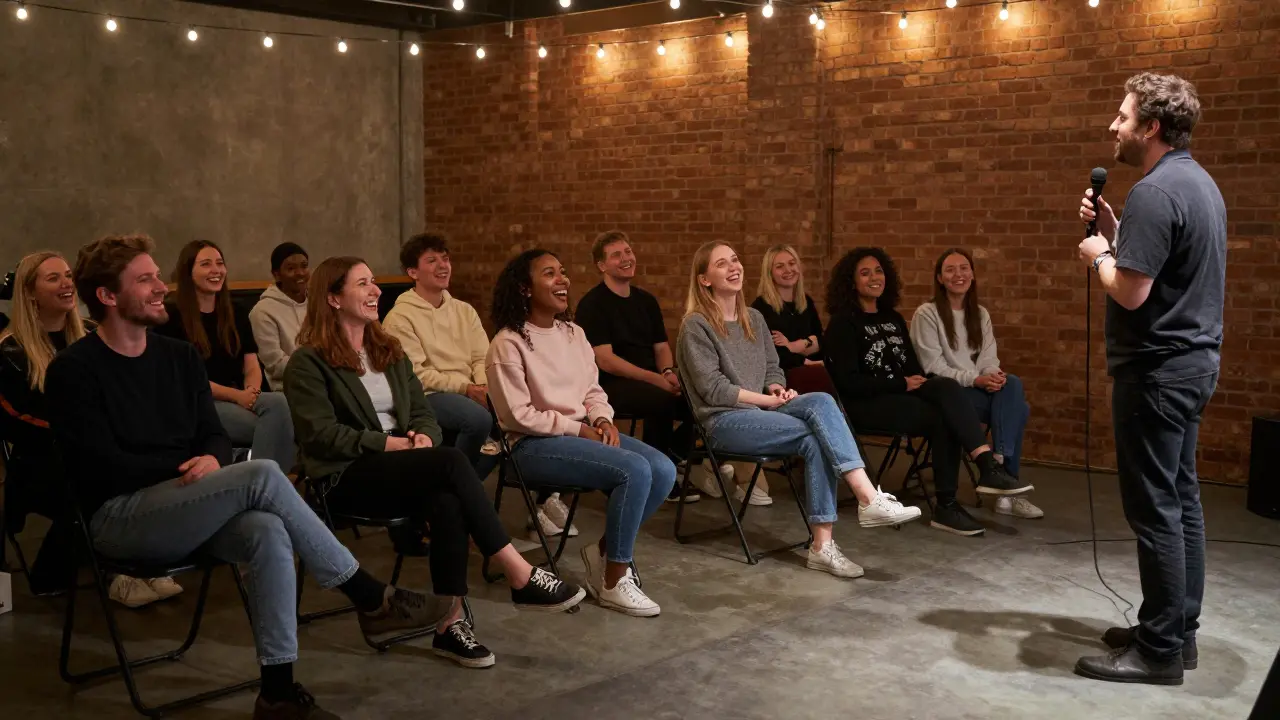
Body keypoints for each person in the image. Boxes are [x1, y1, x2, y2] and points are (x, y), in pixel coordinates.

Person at [46, 234, 453, 720]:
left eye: (157, 275)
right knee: (260, 473)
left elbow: (211, 435)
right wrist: (188, 469)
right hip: (120, 515)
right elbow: (96, 464)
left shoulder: (177, 357)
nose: (161, 287)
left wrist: (212, 461)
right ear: (108, 296)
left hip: (185, 499)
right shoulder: (74, 370)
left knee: (266, 528)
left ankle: (277, 692)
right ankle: (366, 594)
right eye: (145, 279)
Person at [284, 256, 585, 668]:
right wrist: (389, 446)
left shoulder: (387, 350)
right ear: (334, 298)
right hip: (345, 476)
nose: (376, 291)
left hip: (403, 464)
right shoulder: (308, 362)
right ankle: (519, 573)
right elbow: (320, 435)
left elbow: (422, 410)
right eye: (363, 284)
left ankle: (451, 625)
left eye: (375, 281)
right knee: (448, 466)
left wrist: (424, 434)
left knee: (448, 498)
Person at [1073, 72, 1225, 686]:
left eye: (1123, 115)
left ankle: (1158, 651)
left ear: (1151, 126)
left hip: (1157, 372)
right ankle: (1177, 630)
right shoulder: (1197, 183)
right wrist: (1118, 234)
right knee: (1182, 501)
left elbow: (1132, 292)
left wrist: (1099, 256)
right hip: (1191, 367)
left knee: (1156, 508)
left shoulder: (1157, 192)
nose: (1114, 125)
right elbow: (1158, 270)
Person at [677, 242, 921, 579]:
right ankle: (853, 514)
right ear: (704, 279)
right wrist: (769, 401)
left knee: (821, 400)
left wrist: (777, 388)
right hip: (723, 420)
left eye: (735, 259)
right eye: (721, 264)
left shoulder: (755, 318)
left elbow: (773, 369)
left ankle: (843, 524)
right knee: (815, 434)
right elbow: (714, 390)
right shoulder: (696, 325)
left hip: (763, 412)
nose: (733, 267)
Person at [487, 248, 675, 617]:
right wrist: (577, 428)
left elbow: (592, 390)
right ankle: (612, 581)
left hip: (579, 433)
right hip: (530, 446)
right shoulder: (507, 343)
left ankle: (604, 551)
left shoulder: (574, 333)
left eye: (563, 272)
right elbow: (518, 416)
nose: (563, 280)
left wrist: (602, 419)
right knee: (633, 470)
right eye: (550, 274)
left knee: (664, 470)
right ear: (525, 288)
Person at [0, 252, 177, 606]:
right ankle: (116, 572)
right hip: (42, 462)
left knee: (149, 465)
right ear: (29, 293)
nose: (66, 283)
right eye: (53, 278)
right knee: (102, 476)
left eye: (68, 275)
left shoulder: (95, 336)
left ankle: (141, 562)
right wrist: (88, 435)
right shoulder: (11, 352)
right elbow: (16, 421)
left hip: (101, 450)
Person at [823, 247, 1033, 538]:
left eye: (879, 271)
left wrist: (916, 383)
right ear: (851, 281)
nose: (874, 277)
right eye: (865, 272)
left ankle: (981, 472)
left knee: (946, 389)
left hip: (902, 395)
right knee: (941, 415)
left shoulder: (892, 317)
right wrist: (901, 384)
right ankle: (951, 500)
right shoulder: (843, 323)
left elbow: (912, 367)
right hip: (866, 404)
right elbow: (847, 383)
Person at [575, 230, 722, 505]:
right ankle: (659, 476)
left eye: (628, 252)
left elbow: (661, 347)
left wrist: (667, 372)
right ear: (601, 265)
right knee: (663, 400)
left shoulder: (646, 300)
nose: (625, 258)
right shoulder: (592, 305)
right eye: (616, 255)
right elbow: (606, 360)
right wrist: (656, 379)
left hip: (653, 378)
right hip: (610, 384)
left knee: (705, 400)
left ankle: (669, 460)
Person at [910, 248, 1043, 520]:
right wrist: (976, 379)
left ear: (972, 274)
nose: (958, 274)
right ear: (939, 278)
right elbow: (933, 367)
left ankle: (999, 467)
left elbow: (988, 357)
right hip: (948, 394)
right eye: (950, 269)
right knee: (1020, 409)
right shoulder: (927, 313)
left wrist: (992, 376)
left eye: (964, 268)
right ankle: (1007, 483)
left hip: (978, 389)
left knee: (1012, 384)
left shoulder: (979, 314)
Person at [157, 240, 295, 472]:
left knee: (278, 405)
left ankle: (252, 473)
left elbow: (251, 364)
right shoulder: (172, 316)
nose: (216, 270)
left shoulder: (236, 310)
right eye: (206, 264)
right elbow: (188, 379)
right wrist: (238, 397)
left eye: (220, 263)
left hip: (239, 396)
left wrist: (251, 392)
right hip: (198, 404)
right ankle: (258, 481)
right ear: (188, 272)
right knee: (278, 426)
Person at [382, 233, 499, 481]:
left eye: (445, 259)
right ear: (413, 272)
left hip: (469, 389)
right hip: (428, 395)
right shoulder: (400, 317)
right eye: (432, 261)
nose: (443, 266)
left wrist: (482, 386)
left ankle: (458, 494)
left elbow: (482, 358)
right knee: (477, 420)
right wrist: (466, 388)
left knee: (518, 415)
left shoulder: (464, 310)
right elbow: (416, 375)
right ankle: (451, 483)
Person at [751, 244, 834, 397]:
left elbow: (822, 341)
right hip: (782, 379)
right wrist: (806, 358)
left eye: (792, 263)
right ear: (770, 273)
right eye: (780, 266)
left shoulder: (806, 302)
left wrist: (794, 345)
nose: (788, 270)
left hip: (814, 373)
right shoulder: (761, 308)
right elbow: (774, 355)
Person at [248, 242, 309, 393]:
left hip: (324, 381)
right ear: (277, 275)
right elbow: (275, 365)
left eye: (304, 266)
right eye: (291, 268)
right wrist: (318, 367)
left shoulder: (318, 302)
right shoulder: (262, 312)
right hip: (288, 390)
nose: (300, 273)